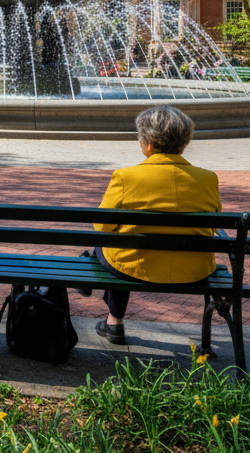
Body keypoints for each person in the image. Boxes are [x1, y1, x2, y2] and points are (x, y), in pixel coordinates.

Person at [83, 105, 221, 346]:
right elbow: (213, 224)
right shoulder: (208, 178)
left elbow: (102, 227)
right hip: (193, 269)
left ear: (148, 144)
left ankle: (114, 321)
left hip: (135, 266)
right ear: (185, 142)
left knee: (112, 245)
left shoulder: (126, 177)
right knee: (119, 244)